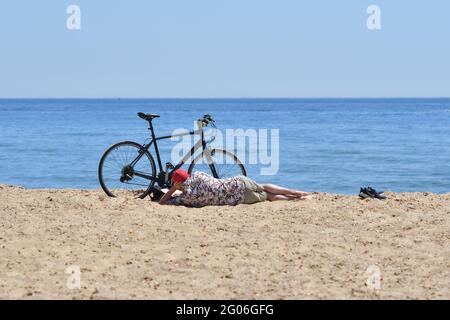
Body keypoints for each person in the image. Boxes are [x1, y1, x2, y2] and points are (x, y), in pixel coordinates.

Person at [158, 169, 309, 207]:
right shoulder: (198, 174)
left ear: (177, 184)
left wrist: (172, 190)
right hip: (239, 182)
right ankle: (293, 192)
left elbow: (162, 203)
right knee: (263, 186)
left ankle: (291, 198)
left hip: (241, 197)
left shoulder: (188, 196)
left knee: (268, 196)